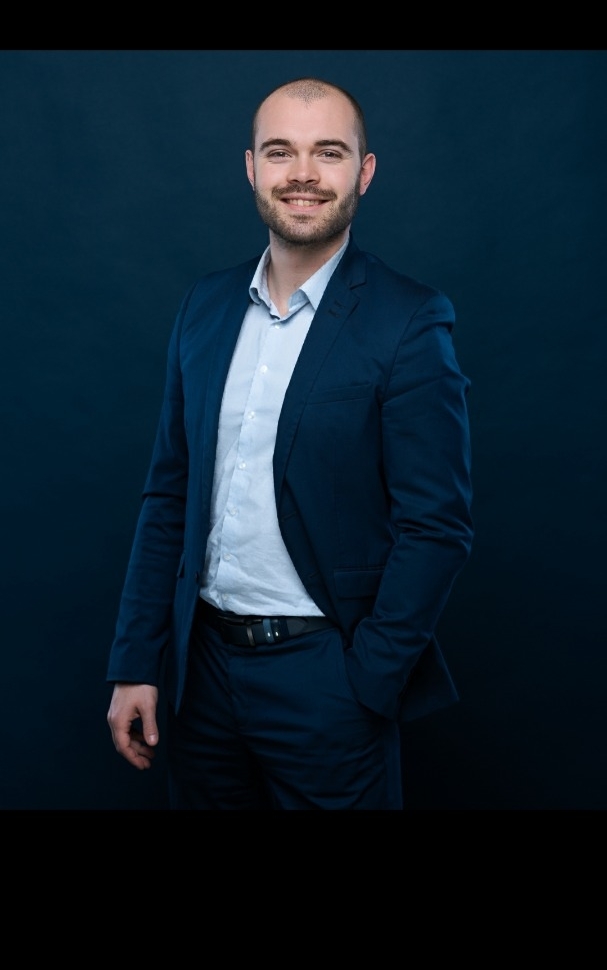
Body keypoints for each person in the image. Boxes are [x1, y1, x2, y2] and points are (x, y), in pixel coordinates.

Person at [106, 76, 474, 810]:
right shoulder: (204, 306)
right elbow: (168, 494)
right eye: (280, 152)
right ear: (251, 167)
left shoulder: (408, 320)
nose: (302, 173)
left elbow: (436, 526)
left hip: (327, 680)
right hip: (200, 676)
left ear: (364, 172)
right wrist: (137, 660)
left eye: (328, 152)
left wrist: (366, 680)